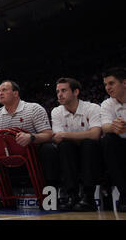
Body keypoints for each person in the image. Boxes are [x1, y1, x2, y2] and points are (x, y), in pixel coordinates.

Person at [0, 80, 59, 209]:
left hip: (33, 155)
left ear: (16, 93)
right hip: (9, 157)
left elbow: (48, 134)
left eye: (4, 90)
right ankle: (1, 198)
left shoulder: (33, 108)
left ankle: (50, 197)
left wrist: (31, 137)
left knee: (48, 149)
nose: (0, 93)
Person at [51, 78, 102, 211]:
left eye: (63, 90)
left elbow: (96, 134)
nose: (59, 94)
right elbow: (57, 138)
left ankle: (89, 197)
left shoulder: (92, 108)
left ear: (76, 92)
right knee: (65, 146)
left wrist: (65, 135)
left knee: (88, 144)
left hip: (94, 153)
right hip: (70, 153)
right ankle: (72, 196)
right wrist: (84, 134)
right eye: (57, 91)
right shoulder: (56, 111)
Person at [100, 67, 126, 212]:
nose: (107, 88)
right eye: (105, 85)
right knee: (107, 140)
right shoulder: (107, 103)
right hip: (120, 144)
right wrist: (114, 127)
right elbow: (104, 126)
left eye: (111, 83)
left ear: (124, 83)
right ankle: (124, 194)